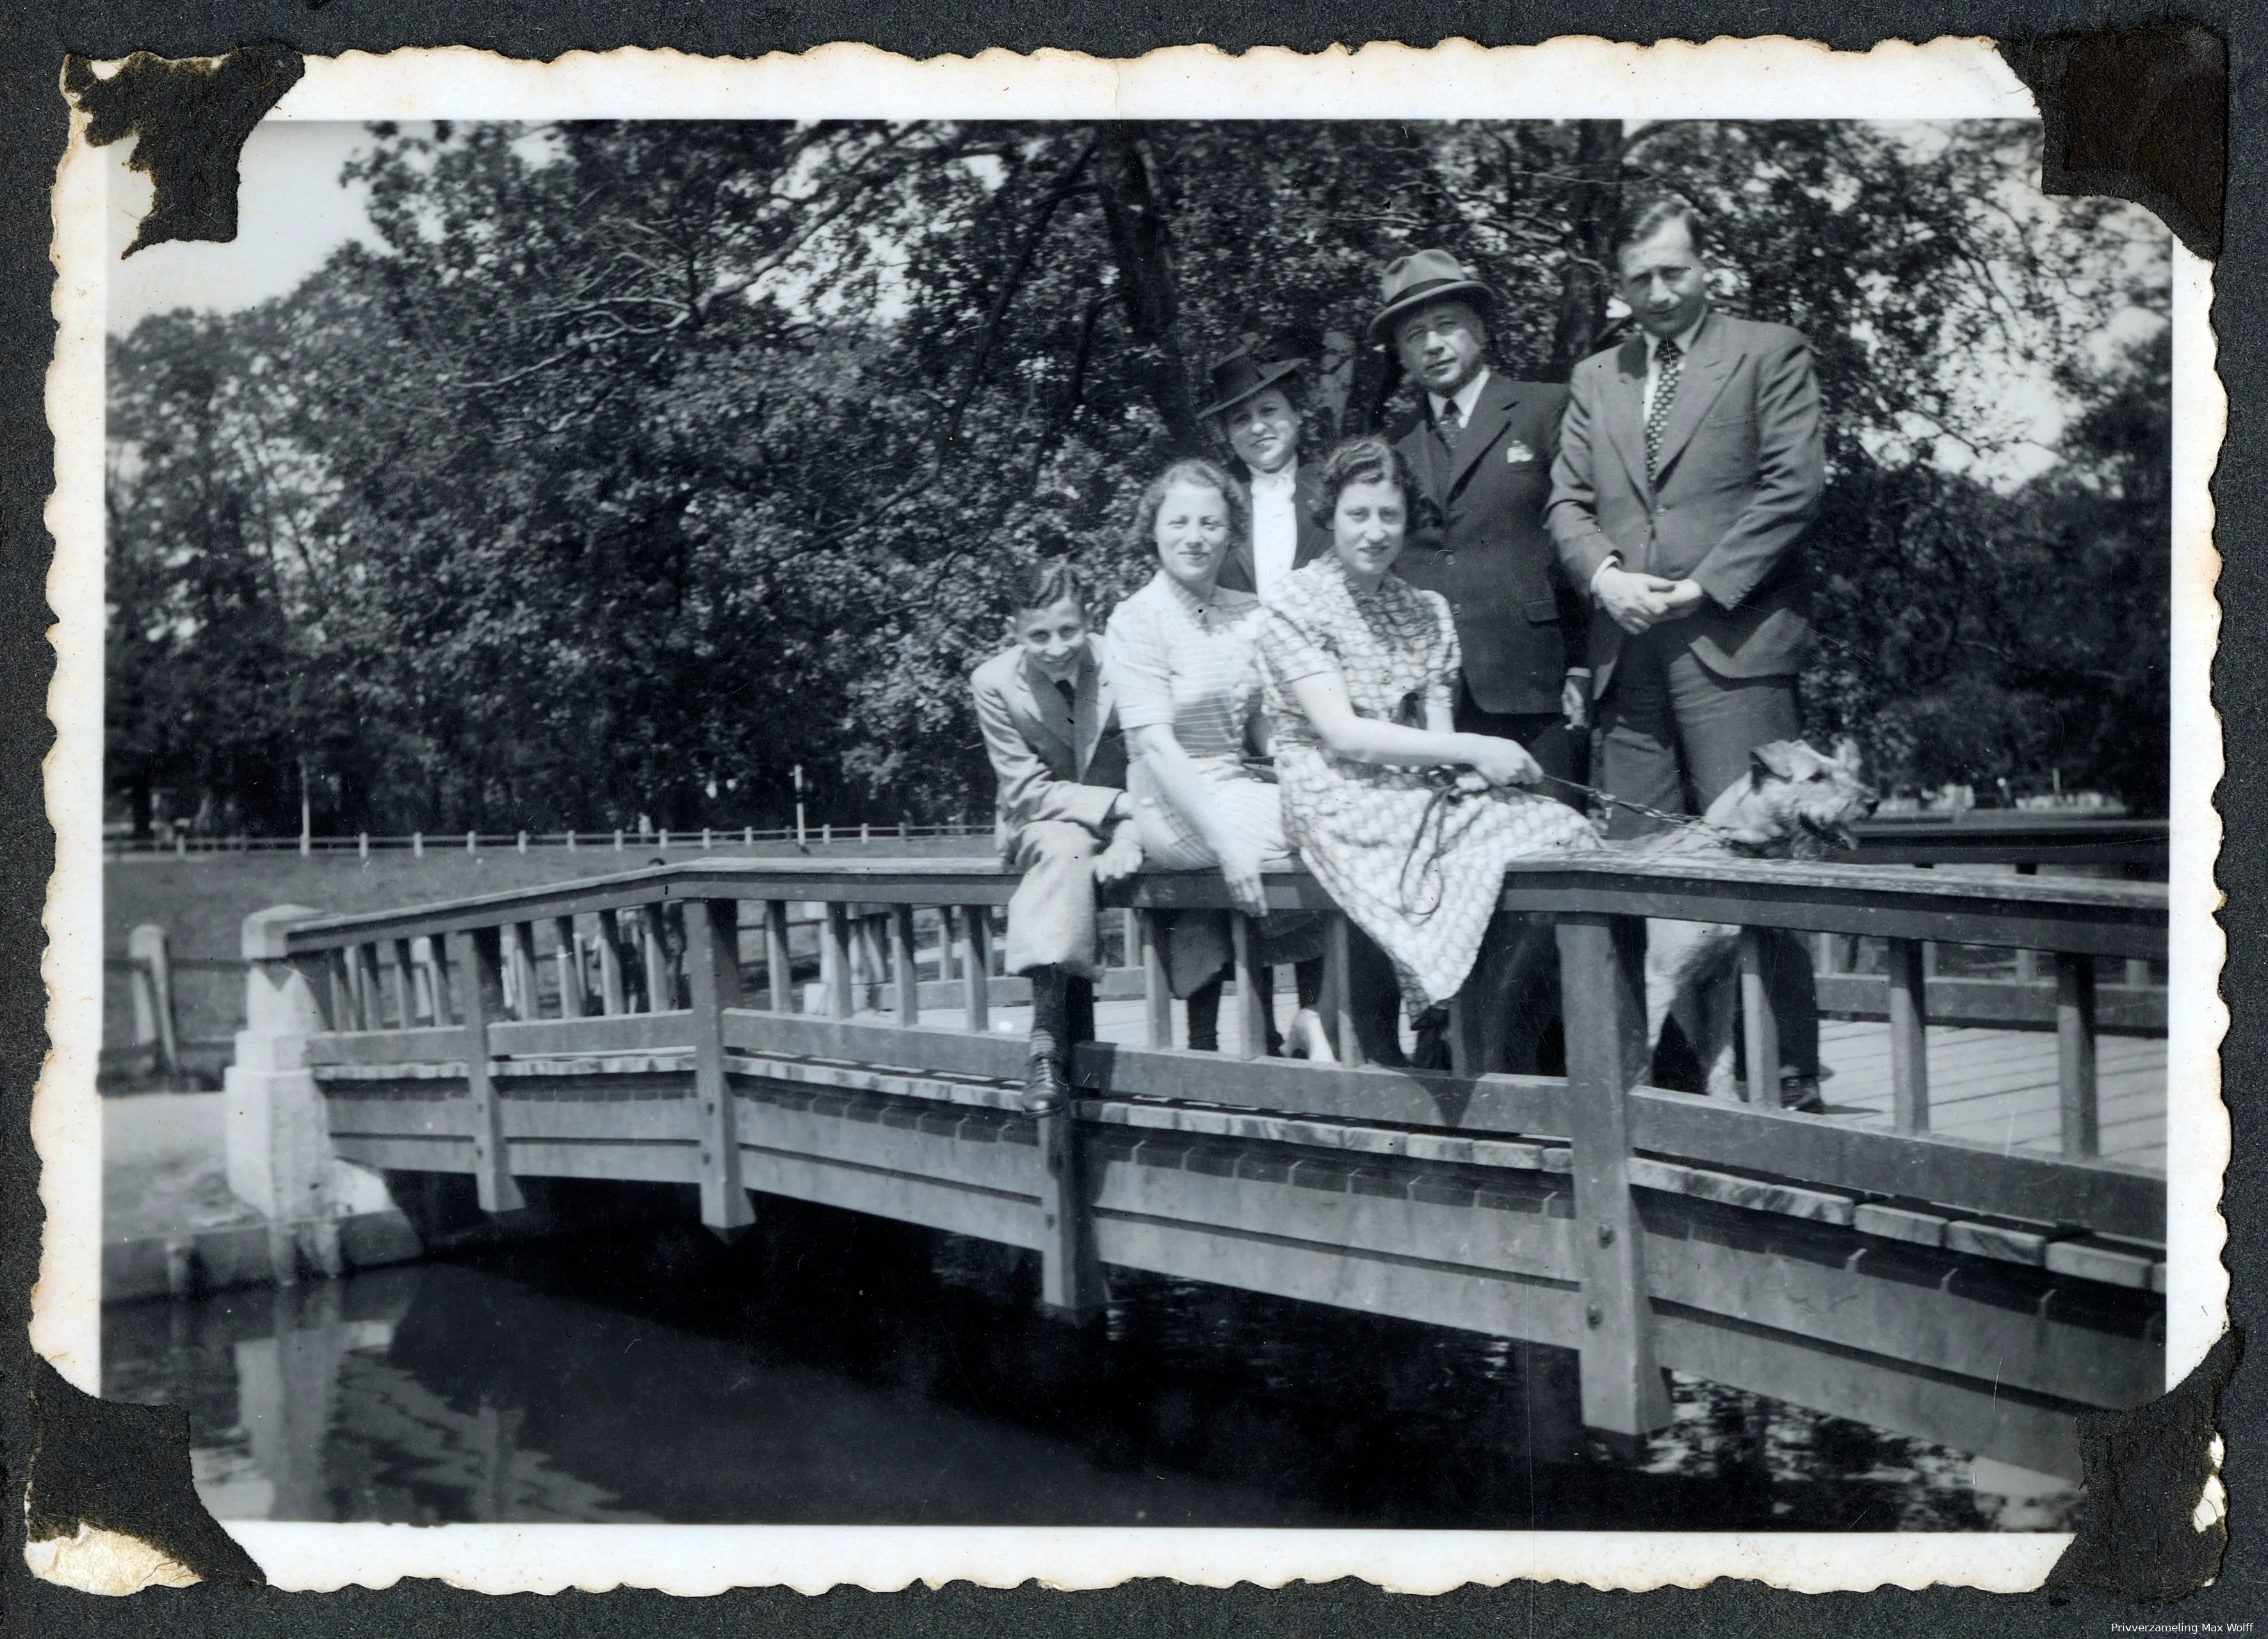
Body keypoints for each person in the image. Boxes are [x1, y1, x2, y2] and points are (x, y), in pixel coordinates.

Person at [1544, 191, 1829, 1106]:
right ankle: (1645, 1082)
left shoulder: (1767, 352)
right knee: (1631, 870)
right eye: (1639, 279)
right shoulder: (1595, 379)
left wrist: (1705, 583)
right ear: (1616, 285)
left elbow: (1795, 485)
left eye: (1674, 271)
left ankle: (1787, 1083)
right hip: (1629, 658)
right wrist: (1604, 579)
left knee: (1762, 870)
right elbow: (1566, 505)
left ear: (1706, 267)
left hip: (1733, 648)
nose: (1658, 292)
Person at [1258, 435, 1599, 1044]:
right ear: (1330, 515)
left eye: (1390, 515)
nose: (1375, 531)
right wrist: (1475, 749)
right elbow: (1344, 735)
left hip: (1410, 790)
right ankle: (1445, 1019)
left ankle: (1469, 1026)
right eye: (1357, 514)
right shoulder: (1295, 601)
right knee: (1483, 849)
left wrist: (1466, 774)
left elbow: (1436, 740)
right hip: (1331, 790)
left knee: (1559, 827)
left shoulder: (1428, 611)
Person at [1105, 458, 1331, 1060]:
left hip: (1237, 784)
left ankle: (1314, 1017)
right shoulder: (1136, 619)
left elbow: (1259, 717)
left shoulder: (1249, 612)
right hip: (1171, 802)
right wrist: (1227, 843)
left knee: (1339, 805)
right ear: (1153, 528)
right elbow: (1155, 744)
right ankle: (1316, 1019)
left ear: (1232, 533)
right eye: (1179, 522)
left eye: (1211, 523)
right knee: (1338, 823)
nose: (1195, 537)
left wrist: (1286, 755)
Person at [1372, 250, 1589, 805]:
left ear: (1481, 330)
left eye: (1447, 326)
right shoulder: (1391, 446)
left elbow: (1580, 535)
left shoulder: (1546, 410)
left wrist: (1584, 667)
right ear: (1401, 352)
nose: (1433, 345)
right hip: (1432, 702)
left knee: (1552, 855)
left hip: (1534, 687)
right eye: (1415, 334)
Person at [969, 561, 1141, 1113]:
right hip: (1044, 817)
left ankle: (1205, 1052)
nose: (1056, 647)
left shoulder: (1124, 657)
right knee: (1063, 847)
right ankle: (1046, 1043)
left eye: (1068, 630)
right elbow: (1024, 789)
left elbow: (1147, 754)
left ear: (1088, 619)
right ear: (1014, 630)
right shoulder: (993, 683)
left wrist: (1130, 826)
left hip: (1129, 815)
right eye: (1038, 636)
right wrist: (1115, 807)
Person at [1199, 332, 1332, 601]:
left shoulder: (1334, 487)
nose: (1258, 427)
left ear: (1297, 413)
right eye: (1241, 419)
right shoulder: (1212, 501)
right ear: (1228, 434)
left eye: (1268, 410)